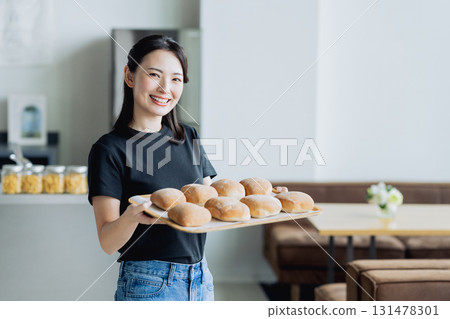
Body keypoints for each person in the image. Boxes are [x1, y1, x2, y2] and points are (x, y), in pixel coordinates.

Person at [87, 35, 216, 301]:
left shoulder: (189, 136)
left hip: (201, 279)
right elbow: (108, 242)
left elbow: (211, 206)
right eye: (154, 75)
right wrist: (131, 217)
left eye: (176, 79)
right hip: (149, 283)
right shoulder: (109, 149)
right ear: (130, 76)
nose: (165, 88)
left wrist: (267, 199)